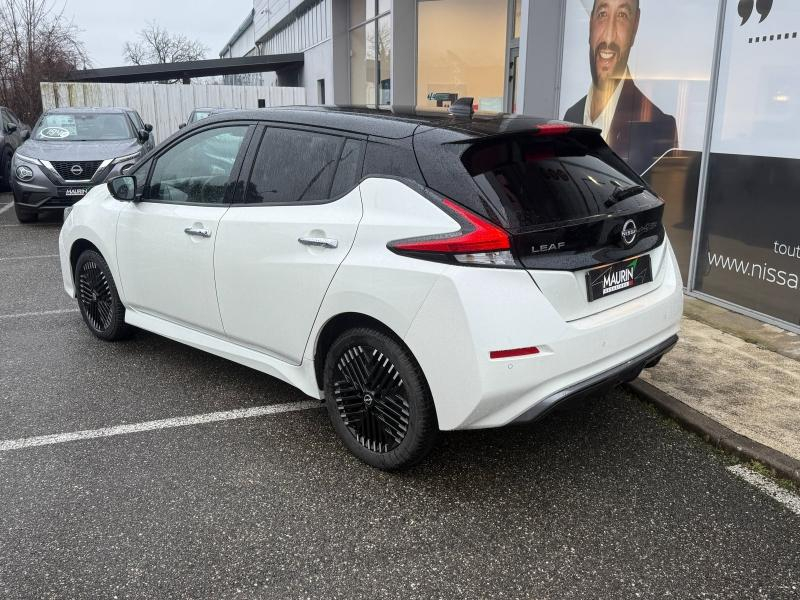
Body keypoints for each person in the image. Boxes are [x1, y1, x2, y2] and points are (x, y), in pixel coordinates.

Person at [564, 0, 678, 174]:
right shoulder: (571, 115)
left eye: (622, 16)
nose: (609, 37)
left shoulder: (660, 129)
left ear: (635, 27)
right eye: (602, 14)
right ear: (590, 25)